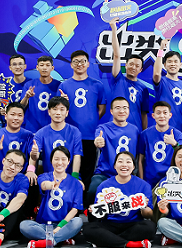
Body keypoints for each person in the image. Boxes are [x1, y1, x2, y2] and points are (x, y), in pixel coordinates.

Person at [84, 151, 156, 248]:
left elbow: (149, 214)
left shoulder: (144, 185)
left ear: (134, 167)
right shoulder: (104, 186)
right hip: (110, 224)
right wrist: (96, 210)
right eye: (120, 161)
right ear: (114, 166)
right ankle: (130, 243)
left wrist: (144, 207)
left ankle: (107, 240)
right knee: (88, 229)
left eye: (128, 162)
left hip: (133, 224)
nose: (124, 165)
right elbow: (101, 216)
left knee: (150, 227)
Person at [20, 146, 84, 248]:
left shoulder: (76, 184)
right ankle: (60, 239)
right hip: (44, 226)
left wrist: (59, 227)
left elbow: (75, 209)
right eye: (56, 159)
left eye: (63, 159)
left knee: (78, 222)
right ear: (51, 161)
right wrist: (51, 185)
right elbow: (43, 185)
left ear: (68, 161)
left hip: (64, 225)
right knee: (24, 225)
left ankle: (49, 241)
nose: (60, 163)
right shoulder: (44, 176)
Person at [61, 50, 107, 188]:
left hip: (90, 135)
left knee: (88, 170)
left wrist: (91, 120)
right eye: (76, 61)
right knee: (68, 168)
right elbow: (59, 110)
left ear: (88, 64)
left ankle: (84, 199)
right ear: (71, 65)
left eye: (83, 61)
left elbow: (102, 109)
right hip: (69, 135)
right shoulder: (64, 85)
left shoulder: (97, 85)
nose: (79, 64)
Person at [88, 97, 140, 206]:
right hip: (105, 174)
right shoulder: (103, 128)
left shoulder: (134, 130)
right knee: (93, 189)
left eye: (125, 108)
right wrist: (98, 141)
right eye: (118, 108)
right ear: (111, 111)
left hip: (128, 175)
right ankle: (90, 215)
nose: (122, 111)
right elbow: (98, 139)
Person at [109, 19, 148, 130]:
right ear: (125, 65)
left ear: (141, 69)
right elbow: (116, 55)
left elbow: (144, 114)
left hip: (135, 130)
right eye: (131, 64)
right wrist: (113, 29)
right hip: (114, 129)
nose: (133, 67)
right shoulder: (118, 79)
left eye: (137, 66)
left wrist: (144, 134)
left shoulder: (143, 88)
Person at [137, 101, 182, 187]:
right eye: (158, 113)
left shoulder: (178, 135)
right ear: (153, 115)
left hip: (171, 180)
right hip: (149, 180)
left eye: (165, 113)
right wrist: (141, 181)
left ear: (170, 115)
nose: (162, 116)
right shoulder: (145, 134)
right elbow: (140, 160)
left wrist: (174, 144)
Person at [31, 96, 82, 177]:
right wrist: (30, 170)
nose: (58, 113)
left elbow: (77, 155)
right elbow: (35, 156)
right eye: (55, 109)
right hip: (49, 177)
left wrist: (74, 177)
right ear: (49, 112)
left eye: (62, 109)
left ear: (67, 113)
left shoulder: (75, 132)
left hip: (69, 176)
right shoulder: (40, 133)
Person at [152, 38, 182, 135]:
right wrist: (161, 49)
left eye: (175, 61)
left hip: (181, 132)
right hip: (163, 130)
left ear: (180, 65)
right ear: (164, 65)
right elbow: (156, 73)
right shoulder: (161, 82)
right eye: (169, 61)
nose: (173, 64)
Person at [21, 56, 62, 133]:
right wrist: (26, 97)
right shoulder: (29, 85)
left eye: (47, 65)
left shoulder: (59, 85)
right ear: (37, 67)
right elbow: (22, 106)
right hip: (32, 128)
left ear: (52, 68)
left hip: (53, 128)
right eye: (42, 65)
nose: (44, 68)